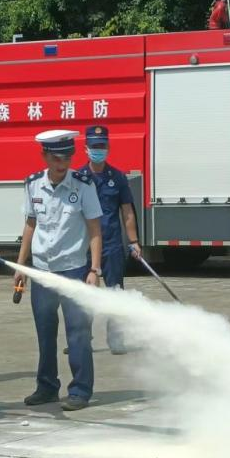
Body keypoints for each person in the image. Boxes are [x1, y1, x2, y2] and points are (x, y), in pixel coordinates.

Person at [15, 129, 103, 411]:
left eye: (66, 157)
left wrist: (95, 269)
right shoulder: (32, 185)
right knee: (45, 331)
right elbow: (30, 225)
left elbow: (94, 229)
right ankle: (47, 387)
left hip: (74, 270)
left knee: (78, 333)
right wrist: (21, 264)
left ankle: (80, 390)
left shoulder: (83, 185)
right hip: (43, 272)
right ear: (45, 156)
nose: (62, 163)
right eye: (56, 157)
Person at [77, 125, 141, 355]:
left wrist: (133, 241)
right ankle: (81, 338)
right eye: (94, 146)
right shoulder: (78, 178)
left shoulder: (118, 178)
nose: (98, 150)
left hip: (112, 244)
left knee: (115, 291)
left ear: (108, 147)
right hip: (84, 246)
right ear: (85, 148)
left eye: (102, 146)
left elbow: (128, 212)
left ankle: (116, 338)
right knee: (85, 292)